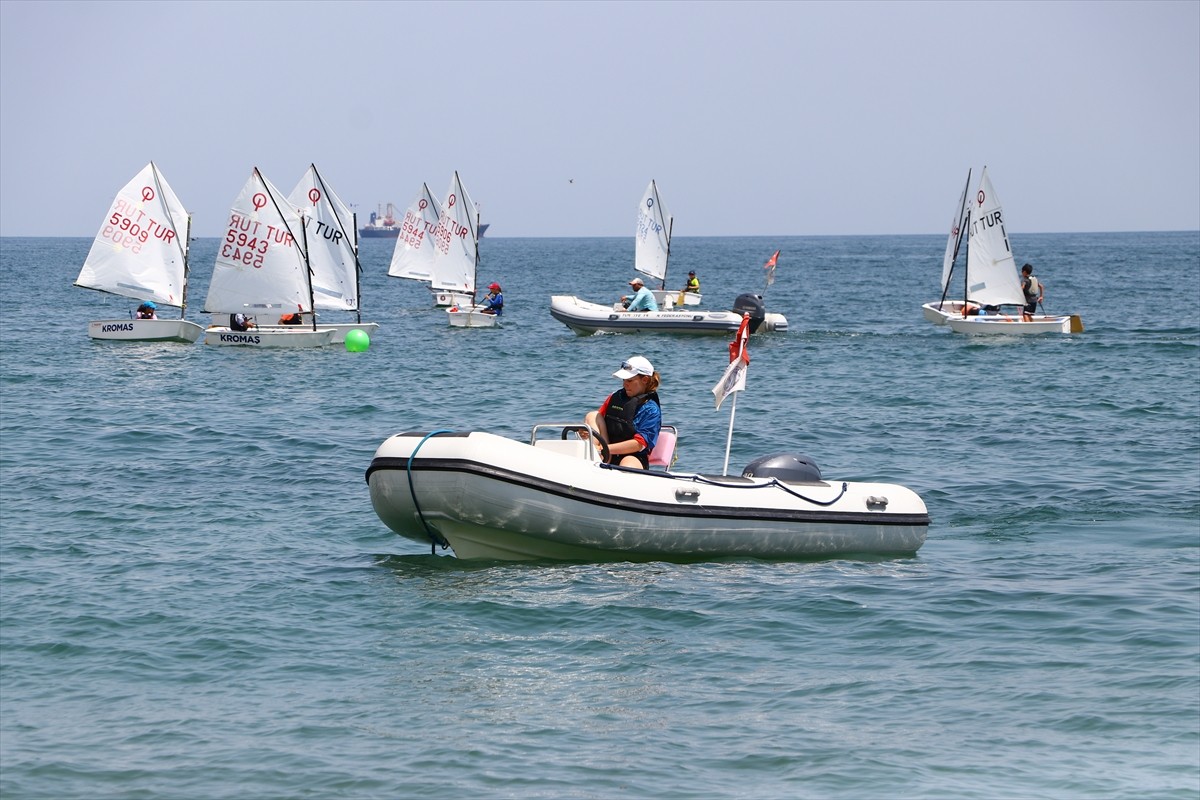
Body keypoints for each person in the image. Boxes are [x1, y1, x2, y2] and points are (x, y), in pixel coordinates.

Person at [581, 355, 662, 469]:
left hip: (634, 457)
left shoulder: (651, 410)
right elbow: (599, 423)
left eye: (629, 380)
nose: (625, 384)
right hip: (606, 452)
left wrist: (604, 449)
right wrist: (585, 432)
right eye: (624, 380)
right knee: (592, 416)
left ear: (645, 380)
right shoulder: (614, 397)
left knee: (627, 462)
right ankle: (593, 461)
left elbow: (639, 444)